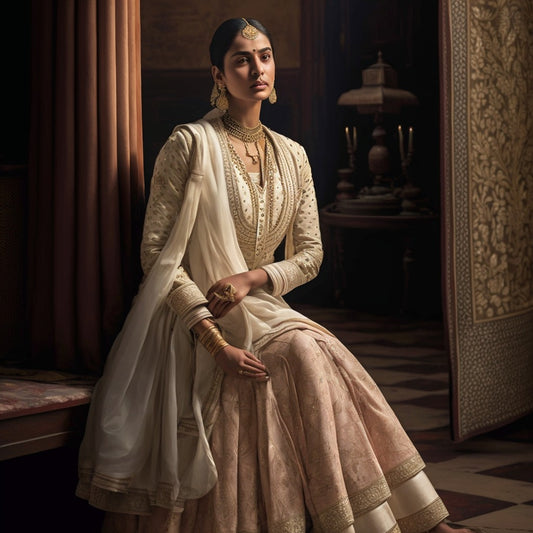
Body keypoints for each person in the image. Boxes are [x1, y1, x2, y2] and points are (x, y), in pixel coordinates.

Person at [77, 17, 477, 533]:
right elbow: (158, 255)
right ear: (219, 74)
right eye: (241, 59)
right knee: (314, 353)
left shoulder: (293, 156)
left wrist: (251, 279)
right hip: (191, 316)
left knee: (318, 354)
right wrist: (213, 340)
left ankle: (416, 522)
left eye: (264, 55)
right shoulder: (190, 145)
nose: (255, 68)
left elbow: (310, 255)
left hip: (261, 308)